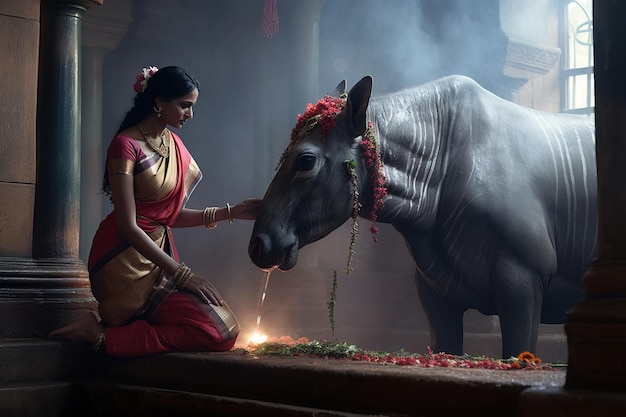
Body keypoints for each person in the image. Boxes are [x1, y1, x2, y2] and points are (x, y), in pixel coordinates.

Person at [49, 65, 261, 357]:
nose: (190, 114)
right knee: (218, 333)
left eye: (192, 106)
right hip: (122, 258)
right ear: (160, 102)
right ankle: (100, 337)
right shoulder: (125, 146)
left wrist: (230, 212)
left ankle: (109, 337)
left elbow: (169, 216)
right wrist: (184, 275)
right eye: (185, 105)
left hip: (157, 256)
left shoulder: (174, 144)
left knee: (224, 329)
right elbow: (127, 226)